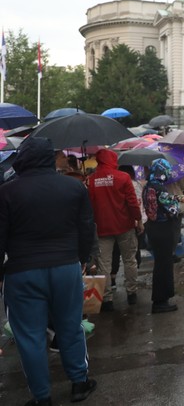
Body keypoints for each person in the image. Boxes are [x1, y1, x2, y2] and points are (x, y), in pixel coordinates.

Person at [0, 137, 98, 405]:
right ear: (50, 158)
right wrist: (80, 259)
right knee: (70, 327)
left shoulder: (7, 192)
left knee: (29, 336)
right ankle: (79, 383)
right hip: (65, 266)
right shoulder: (73, 188)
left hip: (22, 271)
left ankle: (41, 397)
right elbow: (86, 227)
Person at [87, 149, 143, 310]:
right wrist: (138, 219)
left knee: (104, 265)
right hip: (124, 226)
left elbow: (89, 206)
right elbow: (132, 203)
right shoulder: (123, 177)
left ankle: (106, 299)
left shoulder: (92, 180)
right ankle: (132, 293)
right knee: (129, 260)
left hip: (102, 228)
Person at [143, 158, 184, 314]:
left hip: (152, 227)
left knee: (160, 263)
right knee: (164, 265)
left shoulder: (149, 185)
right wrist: (178, 203)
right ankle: (160, 301)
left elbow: (163, 200)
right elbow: (171, 209)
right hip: (163, 228)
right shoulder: (159, 187)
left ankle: (160, 299)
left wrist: (178, 198)